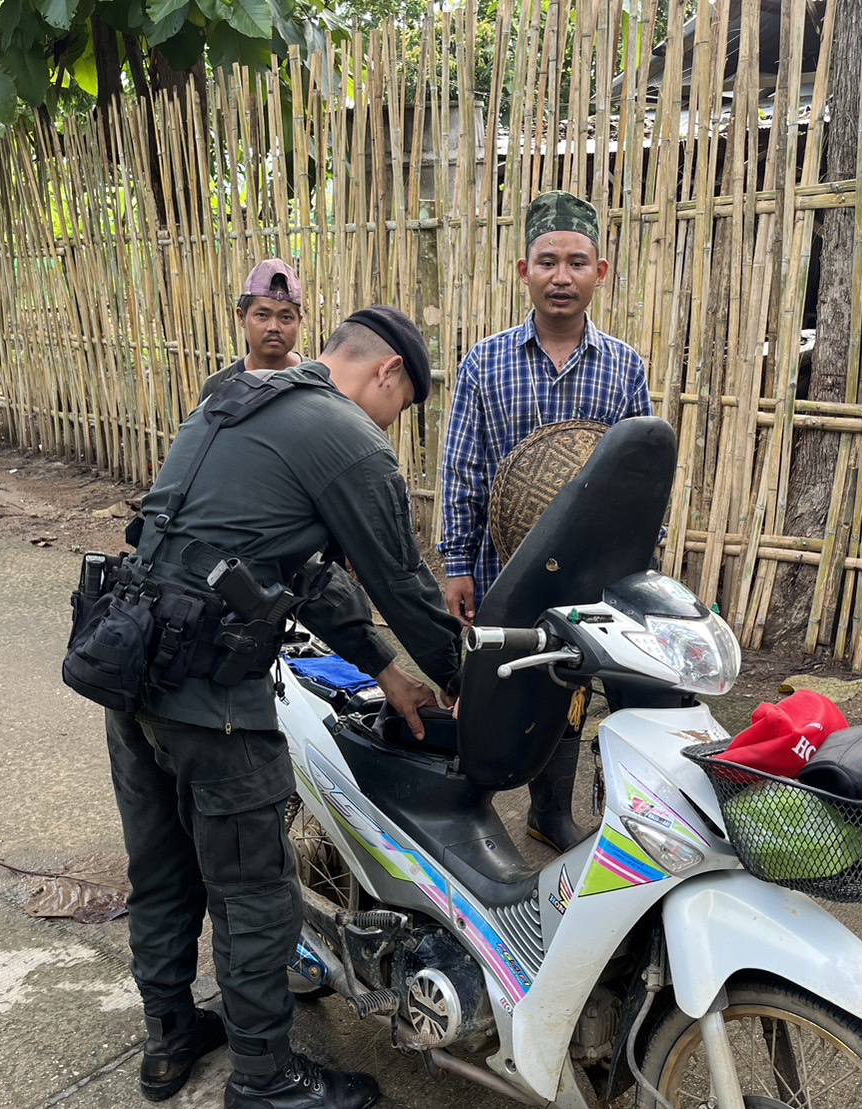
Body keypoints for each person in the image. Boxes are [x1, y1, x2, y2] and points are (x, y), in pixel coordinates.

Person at [105, 306, 462, 1108]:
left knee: (162, 869)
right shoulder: (347, 436)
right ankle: (265, 1080)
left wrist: (381, 667)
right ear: (388, 372)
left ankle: (169, 1038)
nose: (390, 426)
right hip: (212, 700)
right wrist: (462, 679)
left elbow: (292, 573)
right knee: (253, 893)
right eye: (400, 409)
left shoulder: (235, 397)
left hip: (128, 667)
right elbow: (401, 580)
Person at [439, 189, 654, 852]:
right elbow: (463, 469)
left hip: (585, 573)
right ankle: (465, 802)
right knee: (495, 678)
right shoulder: (485, 362)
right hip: (501, 567)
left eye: (577, 262)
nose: (562, 276)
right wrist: (456, 563)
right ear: (523, 270)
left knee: (569, 679)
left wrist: (636, 566)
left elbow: (640, 477)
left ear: (600, 272)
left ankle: (548, 810)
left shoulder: (623, 367)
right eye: (547, 262)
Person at [200, 258, 306, 402]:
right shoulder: (217, 388)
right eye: (262, 315)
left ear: (299, 321)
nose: (274, 327)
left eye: (286, 317)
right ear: (241, 316)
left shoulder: (318, 383)